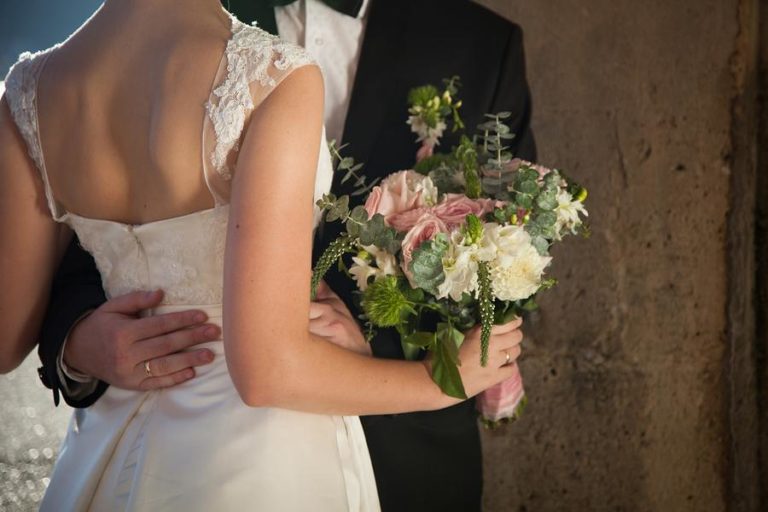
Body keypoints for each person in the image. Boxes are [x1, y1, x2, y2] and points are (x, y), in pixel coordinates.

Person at [0, 0, 525, 510]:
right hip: (261, 449)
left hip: (109, 441)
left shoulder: (28, 89)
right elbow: (266, 371)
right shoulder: (272, 75)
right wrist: (439, 380)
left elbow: (5, 341)